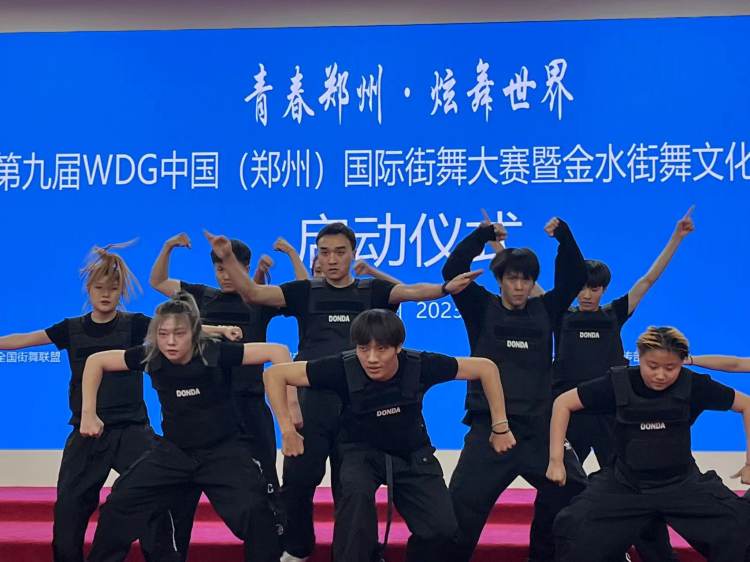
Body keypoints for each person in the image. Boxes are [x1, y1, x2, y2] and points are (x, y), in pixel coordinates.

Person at [205, 222, 480, 562]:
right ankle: (299, 546)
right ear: (317, 255)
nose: (332, 259)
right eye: (324, 252)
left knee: (350, 486)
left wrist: (444, 288)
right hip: (314, 399)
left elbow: (410, 291)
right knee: (299, 479)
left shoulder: (373, 290)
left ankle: (357, 554)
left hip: (360, 403)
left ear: (353, 253)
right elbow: (254, 294)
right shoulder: (304, 291)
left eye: (339, 252)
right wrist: (228, 258)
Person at [0, 242, 213, 562]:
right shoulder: (71, 329)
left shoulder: (135, 324)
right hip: (87, 431)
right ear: (89, 290)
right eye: (99, 288)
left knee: (156, 499)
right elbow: (26, 339)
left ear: (121, 292)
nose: (105, 294)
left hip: (132, 430)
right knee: (69, 508)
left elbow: (183, 330)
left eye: (113, 289)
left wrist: (222, 330)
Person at [263, 309, 516, 562]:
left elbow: (485, 368)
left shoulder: (420, 365)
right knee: (355, 515)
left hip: (412, 454)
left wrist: (500, 426)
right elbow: (274, 375)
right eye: (364, 349)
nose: (372, 358)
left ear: (398, 346)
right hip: (360, 453)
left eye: (381, 349)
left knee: (442, 529)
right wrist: (287, 430)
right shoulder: (342, 367)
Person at [80, 292, 291, 562]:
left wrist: (291, 414)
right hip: (175, 453)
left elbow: (277, 351)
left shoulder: (214, 352)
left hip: (223, 452)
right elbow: (96, 361)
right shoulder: (151, 356)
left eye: (178, 334)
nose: (170, 342)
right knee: (119, 504)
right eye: (163, 334)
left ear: (193, 333)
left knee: (256, 513)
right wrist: (89, 413)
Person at [442, 217, 588, 562]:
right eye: (512, 279)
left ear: (533, 282)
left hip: (538, 430)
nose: (519, 287)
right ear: (500, 280)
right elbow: (453, 270)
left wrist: (564, 236)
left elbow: (575, 276)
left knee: (578, 495)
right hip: (489, 430)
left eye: (526, 279)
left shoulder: (546, 309)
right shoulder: (480, 307)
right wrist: (482, 235)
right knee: (458, 515)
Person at [549, 326, 750, 562]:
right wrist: (556, 460)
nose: (660, 375)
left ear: (682, 362)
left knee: (740, 530)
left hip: (682, 484)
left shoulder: (694, 384)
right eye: (652, 366)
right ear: (640, 357)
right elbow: (563, 403)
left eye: (670, 368)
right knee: (574, 529)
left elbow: (746, 404)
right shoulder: (617, 383)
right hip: (625, 485)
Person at [552, 206, 695, 467]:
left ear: (604, 289)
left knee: (620, 474)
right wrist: (497, 246)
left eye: (594, 289)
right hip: (571, 412)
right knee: (561, 478)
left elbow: (648, 280)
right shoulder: (559, 314)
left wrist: (677, 238)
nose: (586, 295)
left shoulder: (614, 314)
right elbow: (525, 286)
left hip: (609, 409)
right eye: (581, 289)